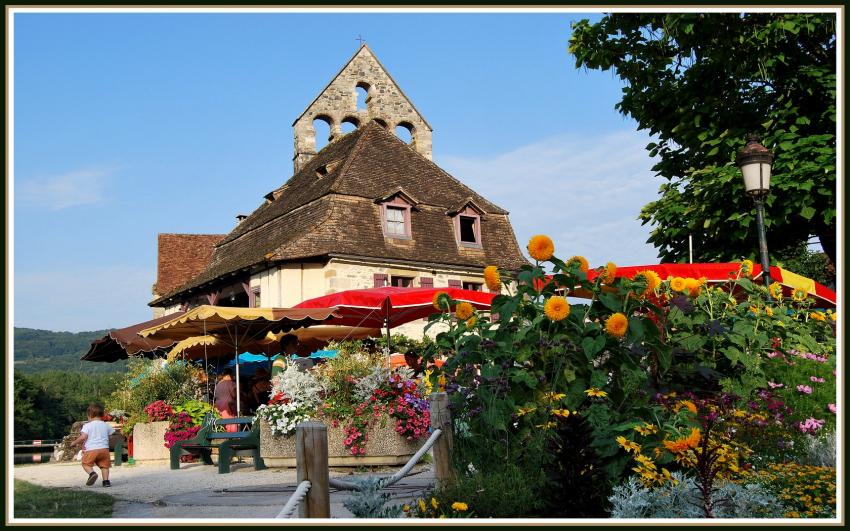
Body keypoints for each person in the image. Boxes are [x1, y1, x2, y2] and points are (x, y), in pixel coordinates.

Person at [70, 403, 115, 487]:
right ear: (102, 415)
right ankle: (106, 482)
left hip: (91, 449)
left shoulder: (87, 426)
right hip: (104, 449)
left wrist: (74, 442)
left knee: (86, 464)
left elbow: (83, 437)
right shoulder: (106, 425)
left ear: (90, 415)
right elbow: (111, 437)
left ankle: (92, 473)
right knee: (105, 466)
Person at [213, 369, 238, 433]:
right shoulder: (232, 383)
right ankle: (232, 439)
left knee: (222, 425)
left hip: (219, 407)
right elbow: (234, 395)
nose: (232, 377)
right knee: (231, 424)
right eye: (232, 375)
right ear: (228, 375)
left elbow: (216, 396)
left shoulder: (218, 384)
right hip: (228, 406)